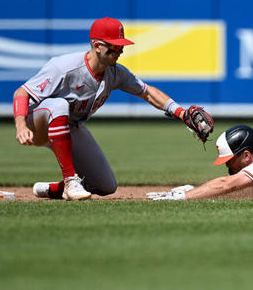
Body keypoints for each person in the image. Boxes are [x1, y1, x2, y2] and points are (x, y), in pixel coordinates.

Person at [13, 17, 213, 201]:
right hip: (38, 123)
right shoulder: (64, 67)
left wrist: (181, 113)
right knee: (59, 105)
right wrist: (22, 126)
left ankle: (50, 189)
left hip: (70, 127)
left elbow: (147, 92)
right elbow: (21, 93)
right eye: (114, 47)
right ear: (97, 45)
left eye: (121, 47)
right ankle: (69, 181)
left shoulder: (115, 73)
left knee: (105, 185)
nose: (119, 52)